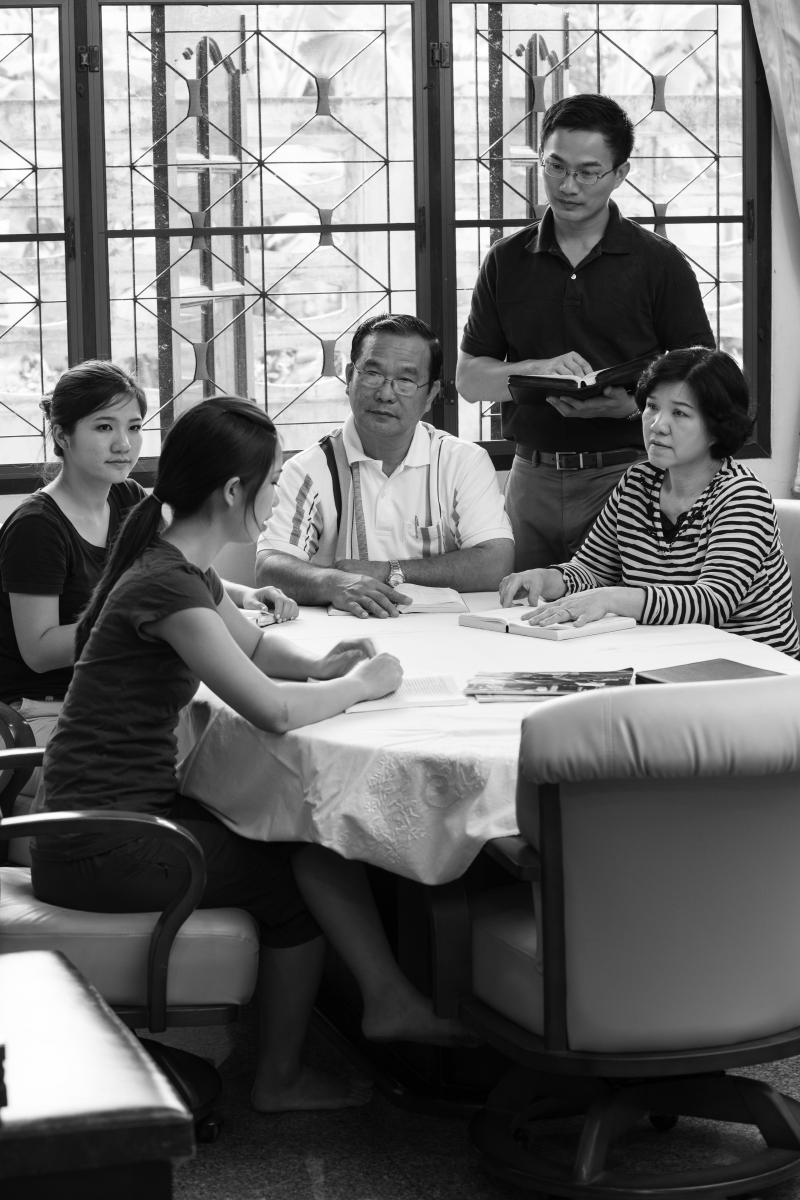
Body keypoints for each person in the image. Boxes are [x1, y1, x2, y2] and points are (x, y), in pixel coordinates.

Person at [30, 396, 473, 1114]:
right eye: (270, 485)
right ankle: (282, 1077)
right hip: (99, 846)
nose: (275, 500)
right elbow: (267, 706)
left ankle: (384, 1002)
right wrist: (363, 684)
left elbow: (260, 649)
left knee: (306, 839)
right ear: (234, 491)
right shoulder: (166, 586)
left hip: (106, 822)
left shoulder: (182, 570)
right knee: (296, 883)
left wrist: (326, 664)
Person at [456, 93, 716, 571]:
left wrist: (635, 405)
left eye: (587, 172)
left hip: (628, 476)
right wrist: (533, 369)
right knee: (520, 615)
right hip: (529, 475)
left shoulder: (659, 263)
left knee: (618, 626)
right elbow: (469, 380)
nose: (567, 185)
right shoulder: (506, 260)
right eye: (554, 167)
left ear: (621, 174)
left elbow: (706, 383)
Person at [0, 362, 297, 776]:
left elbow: (175, 571)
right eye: (104, 427)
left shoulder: (128, 498)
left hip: (115, 698)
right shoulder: (37, 526)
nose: (123, 443)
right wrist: (138, 619)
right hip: (41, 714)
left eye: (135, 427)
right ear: (61, 435)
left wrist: (245, 595)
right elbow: (39, 650)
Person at [497, 347, 800, 658]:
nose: (657, 425)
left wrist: (613, 598)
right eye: (652, 407)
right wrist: (548, 579)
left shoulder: (741, 495)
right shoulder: (637, 483)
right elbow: (592, 569)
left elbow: (712, 602)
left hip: (756, 671)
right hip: (670, 658)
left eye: (679, 413)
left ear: (717, 427)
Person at [256, 313, 514, 617]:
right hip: (345, 636)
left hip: (442, 636)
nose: (385, 393)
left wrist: (385, 572)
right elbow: (269, 566)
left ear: (430, 395)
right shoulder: (310, 468)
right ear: (349, 377)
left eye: (405, 380)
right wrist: (333, 583)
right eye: (372, 374)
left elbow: (496, 562)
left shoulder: (462, 461)